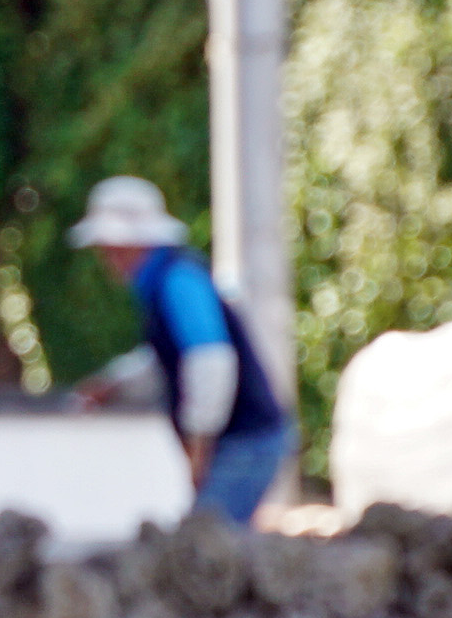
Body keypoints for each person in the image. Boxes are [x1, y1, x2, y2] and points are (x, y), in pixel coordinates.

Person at [68, 174, 290, 522]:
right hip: (243, 440)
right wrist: (114, 384)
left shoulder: (177, 280)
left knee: (206, 548)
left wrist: (199, 445)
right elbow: (167, 358)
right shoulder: (165, 278)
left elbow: (210, 361)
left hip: (245, 441)